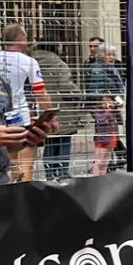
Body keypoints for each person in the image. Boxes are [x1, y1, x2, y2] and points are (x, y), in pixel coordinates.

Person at [0, 23, 51, 183]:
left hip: (2, 121)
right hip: (21, 115)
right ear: (22, 40)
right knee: (26, 167)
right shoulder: (28, 62)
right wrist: (50, 113)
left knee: (12, 165)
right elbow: (40, 92)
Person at [32, 40, 79, 182]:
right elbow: (67, 88)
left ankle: (50, 174)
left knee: (49, 144)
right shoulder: (59, 64)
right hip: (61, 111)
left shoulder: (32, 62)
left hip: (42, 110)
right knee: (64, 143)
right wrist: (78, 95)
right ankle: (62, 174)